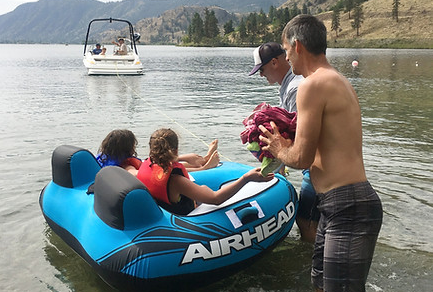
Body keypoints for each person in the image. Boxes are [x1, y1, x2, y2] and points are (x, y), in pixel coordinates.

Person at [258, 14, 383, 292]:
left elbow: (300, 156)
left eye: (286, 50)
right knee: (322, 281)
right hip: (338, 203)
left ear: (297, 46)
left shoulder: (312, 85)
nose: (286, 57)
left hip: (347, 204)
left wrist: (277, 147)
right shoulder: (337, 79)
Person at [249, 42, 319, 243]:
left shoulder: (296, 88)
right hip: (314, 166)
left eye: (261, 70)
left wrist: (273, 168)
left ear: (274, 62)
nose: (261, 76)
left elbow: (300, 137)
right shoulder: (290, 85)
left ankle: (312, 264)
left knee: (306, 221)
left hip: (315, 168)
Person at [136, 128, 273, 215]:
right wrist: (246, 178)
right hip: (185, 218)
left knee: (200, 186)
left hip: (164, 213)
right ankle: (207, 163)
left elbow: (169, 164)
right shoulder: (176, 181)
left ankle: (206, 162)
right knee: (208, 192)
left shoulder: (145, 165)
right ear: (176, 150)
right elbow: (216, 199)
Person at [97, 130, 220, 176]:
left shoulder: (103, 158)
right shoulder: (125, 166)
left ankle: (204, 160)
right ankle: (205, 166)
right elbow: (142, 174)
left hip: (147, 164)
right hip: (149, 170)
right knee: (167, 167)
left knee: (164, 162)